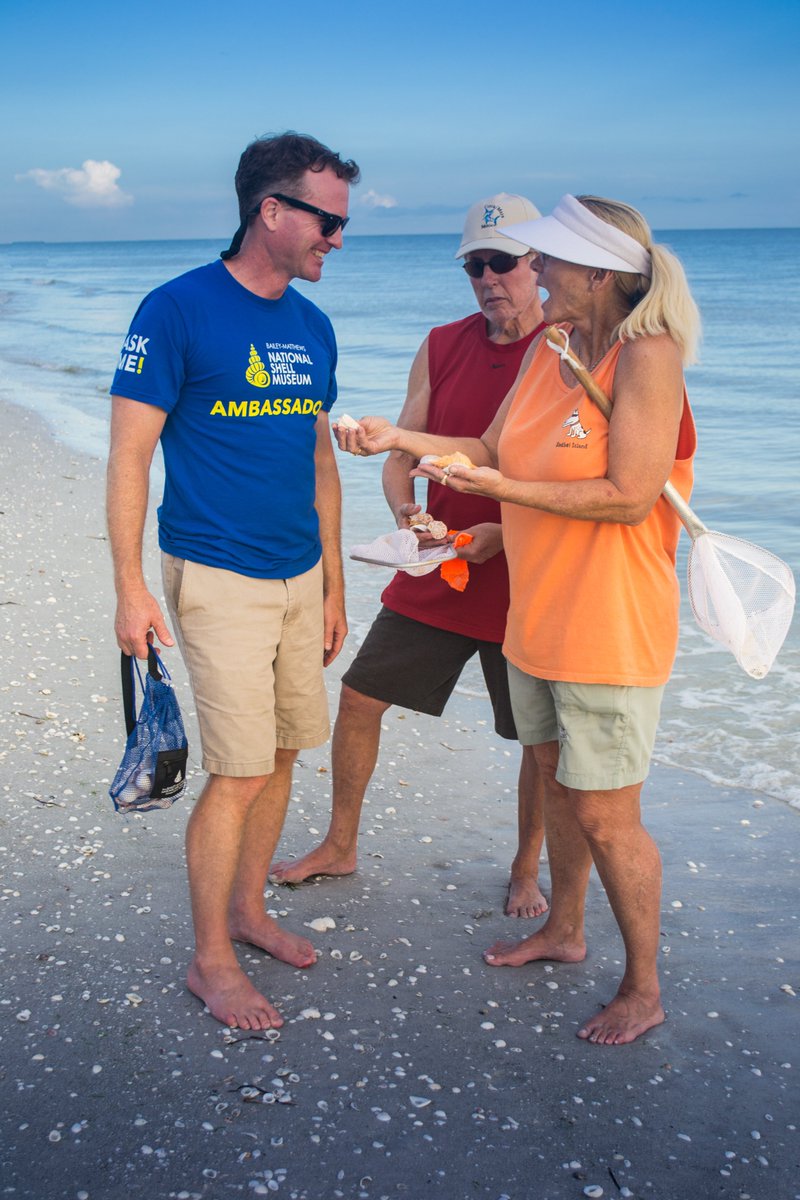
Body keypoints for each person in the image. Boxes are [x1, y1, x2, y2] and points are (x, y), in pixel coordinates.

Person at [333, 193, 700, 1046]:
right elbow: (490, 451)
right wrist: (402, 440)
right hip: (535, 616)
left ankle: (643, 988)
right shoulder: (557, 350)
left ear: (600, 274)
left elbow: (629, 495)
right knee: (564, 788)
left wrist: (499, 497)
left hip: (608, 622)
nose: (533, 272)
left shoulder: (650, 355)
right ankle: (564, 931)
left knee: (609, 813)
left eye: (548, 259)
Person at [106, 132, 360, 1031]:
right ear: (272, 210)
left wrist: (334, 583)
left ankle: (248, 911)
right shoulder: (175, 310)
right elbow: (131, 455)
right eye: (327, 219)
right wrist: (131, 590)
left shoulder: (312, 324)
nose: (338, 236)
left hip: (299, 576)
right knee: (239, 773)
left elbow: (319, 461)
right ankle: (210, 961)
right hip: (217, 574)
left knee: (287, 751)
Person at [271, 193, 549, 918]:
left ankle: (526, 867)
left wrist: (504, 528)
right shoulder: (442, 341)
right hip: (436, 563)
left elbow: (567, 475)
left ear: (538, 265)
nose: (489, 278)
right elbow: (403, 451)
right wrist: (406, 512)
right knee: (360, 697)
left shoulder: (562, 349)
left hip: (525, 573)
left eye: (503, 264)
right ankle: (340, 842)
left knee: (538, 738)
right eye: (474, 265)